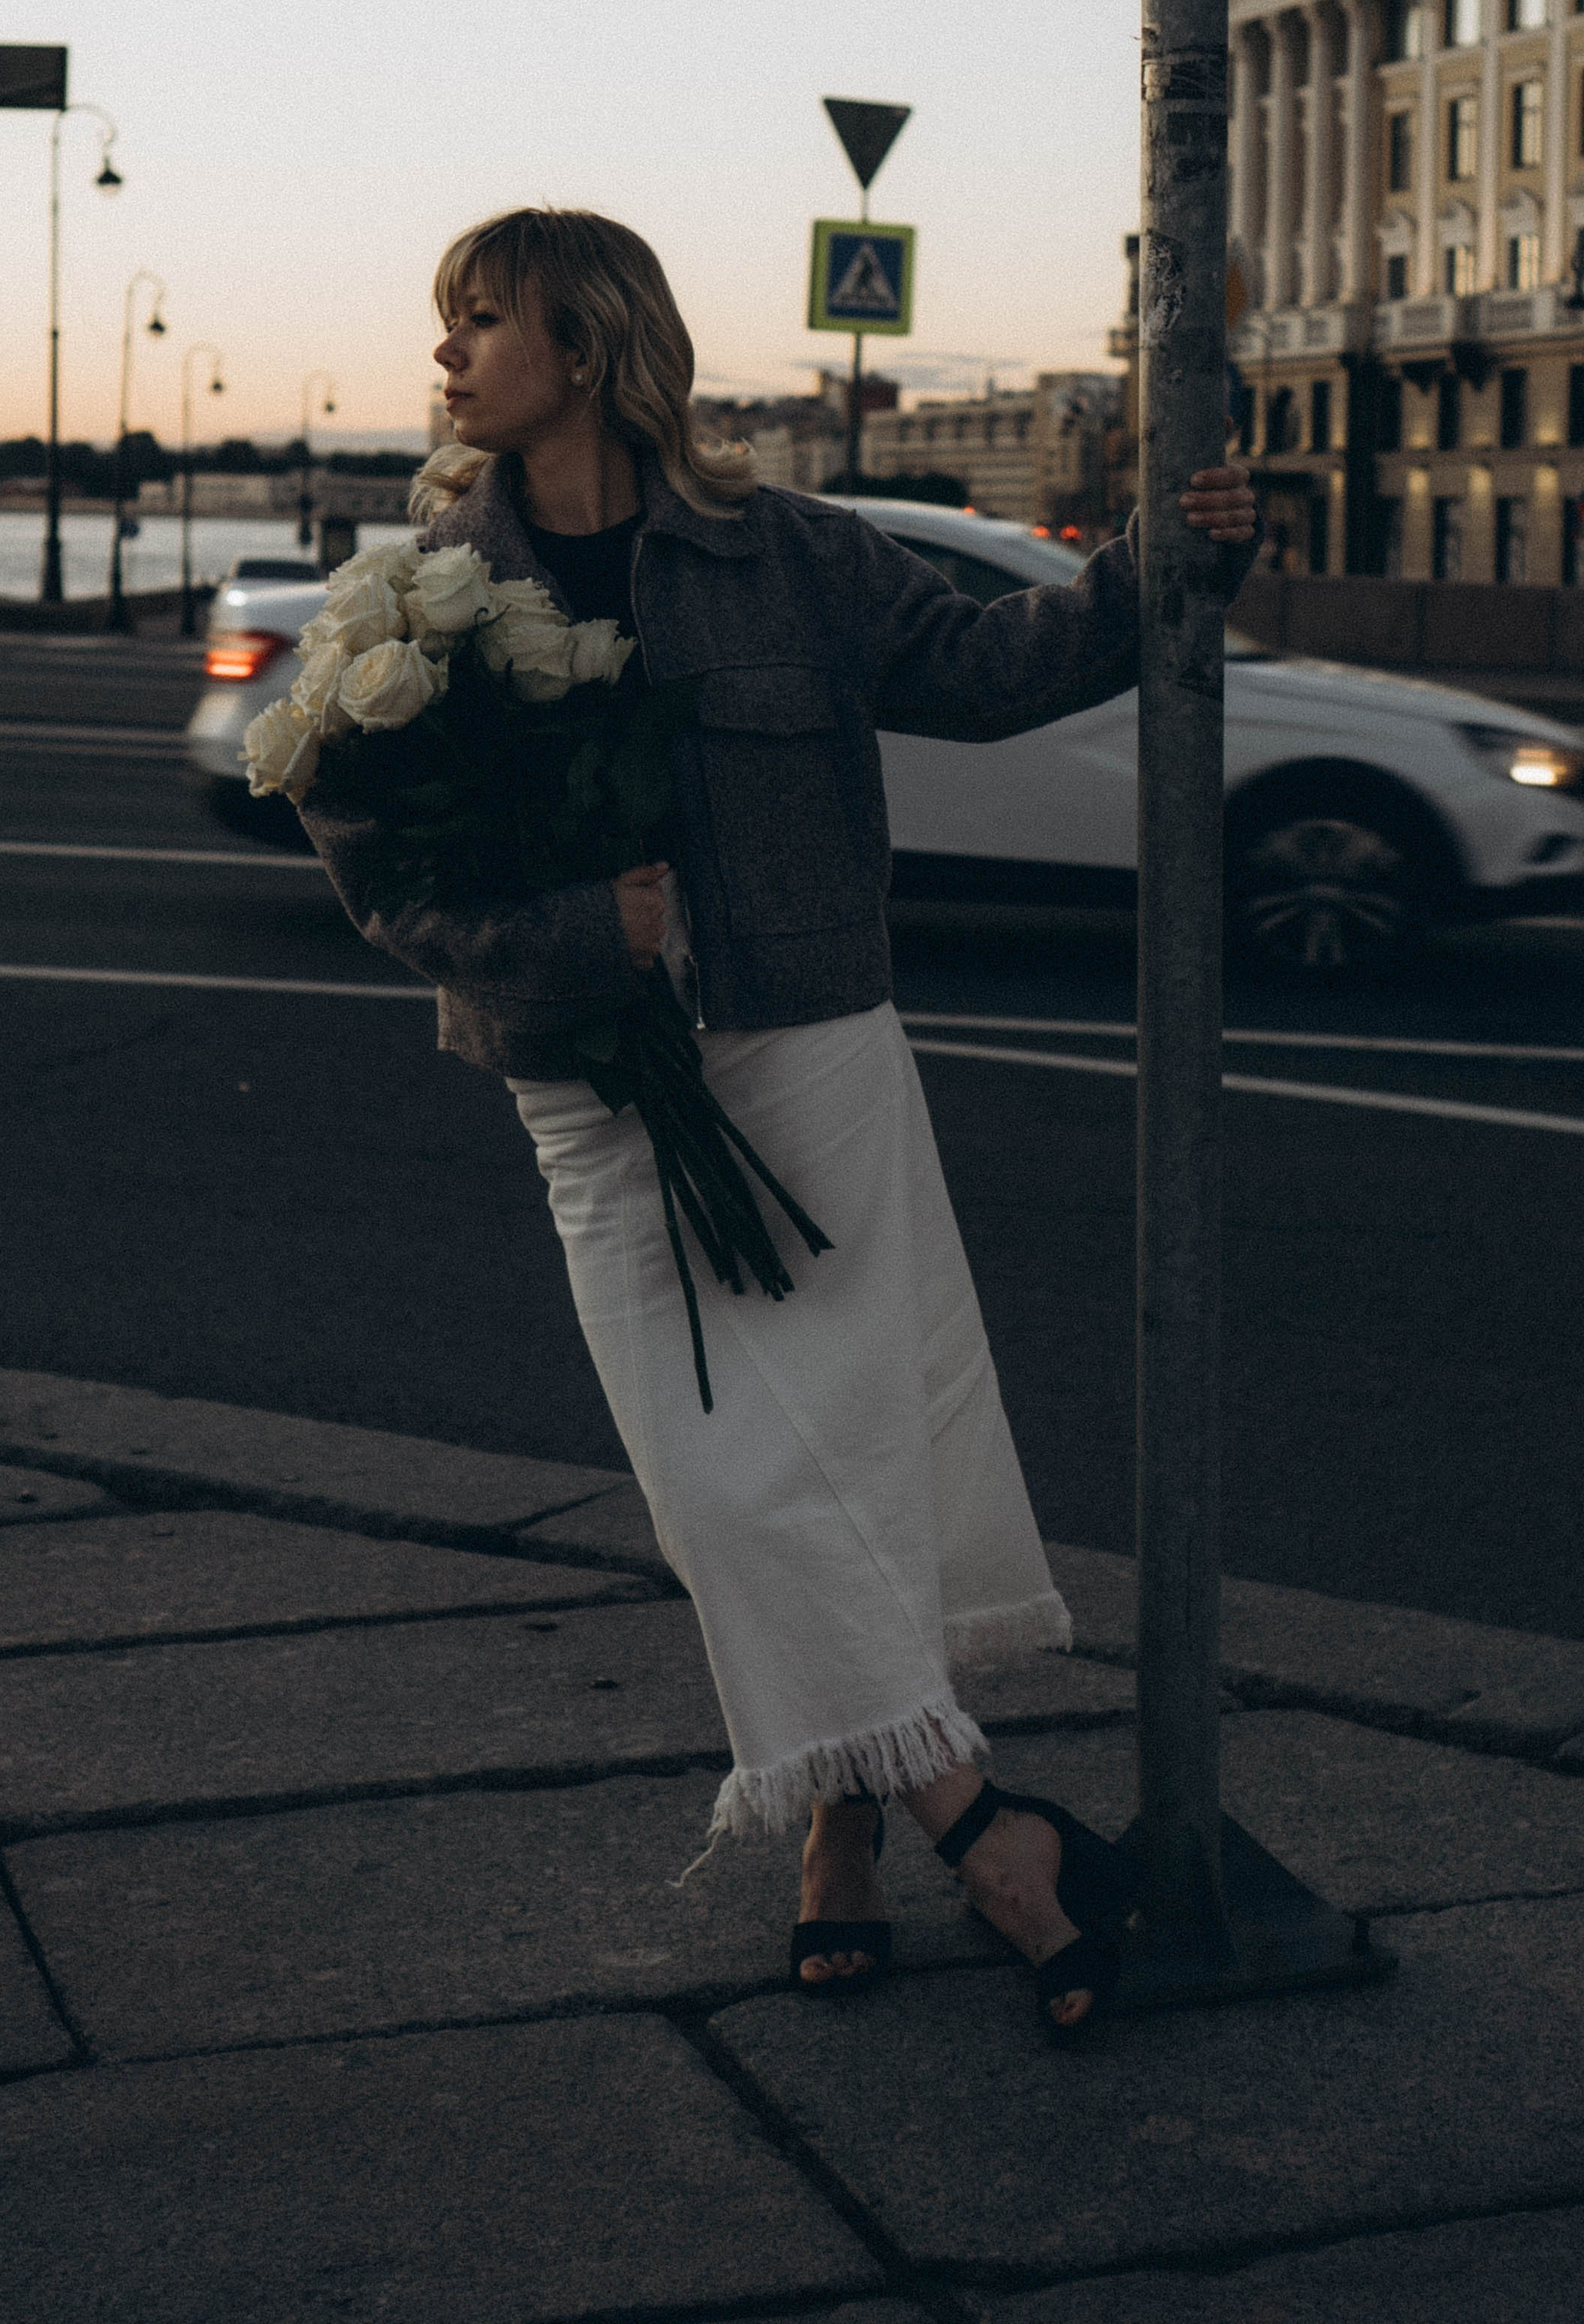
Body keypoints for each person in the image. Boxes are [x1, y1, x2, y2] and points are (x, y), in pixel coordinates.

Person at [301, 205, 1254, 2042]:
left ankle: (840, 1826)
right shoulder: (413, 597)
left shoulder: (789, 555)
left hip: (807, 1047)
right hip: (584, 1080)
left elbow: (990, 668)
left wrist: (1169, 559)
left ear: (587, 345)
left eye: (480, 319)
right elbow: (379, 868)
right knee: (718, 1485)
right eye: (449, 321)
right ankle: (985, 1827)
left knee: (854, 1456)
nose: (447, 353)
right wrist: (579, 934)